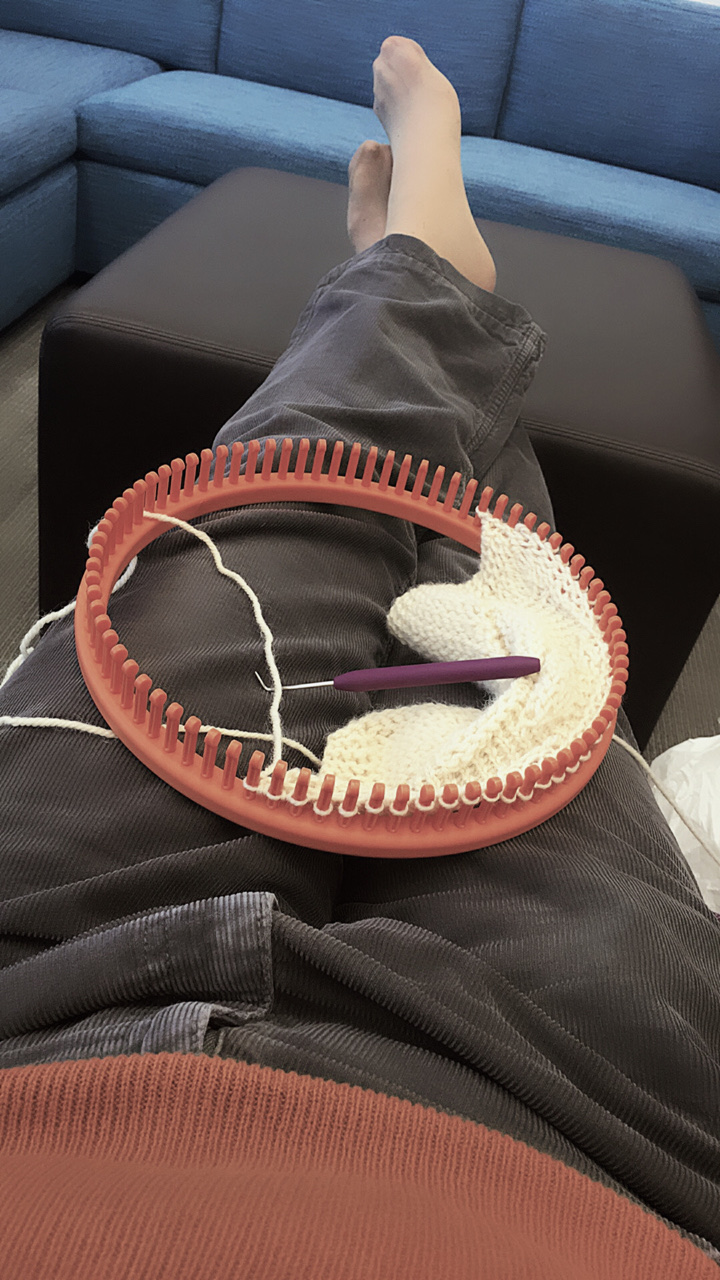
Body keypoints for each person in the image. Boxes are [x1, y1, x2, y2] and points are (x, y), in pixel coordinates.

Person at [0, 36, 718, 1278]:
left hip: (33, 1007)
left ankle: (417, 271)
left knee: (312, 472)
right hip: (595, 1133)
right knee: (507, 589)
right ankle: (418, 272)